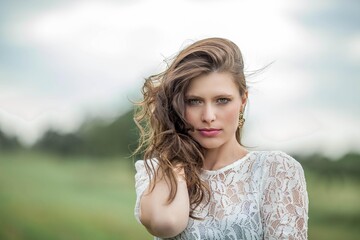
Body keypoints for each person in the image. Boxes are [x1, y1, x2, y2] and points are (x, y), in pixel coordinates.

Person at [133, 37, 308, 239]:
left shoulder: (276, 170)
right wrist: (176, 166)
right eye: (194, 101)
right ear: (177, 106)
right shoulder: (158, 171)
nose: (208, 116)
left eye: (222, 100)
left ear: (243, 101)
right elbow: (167, 223)